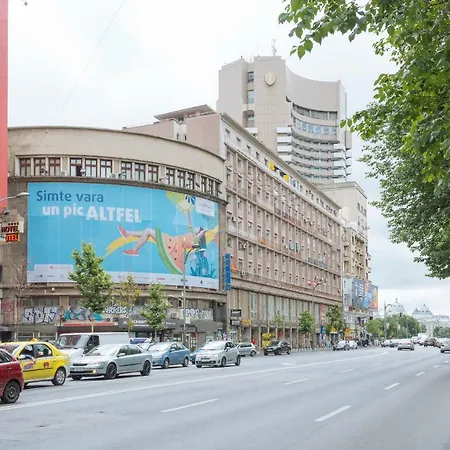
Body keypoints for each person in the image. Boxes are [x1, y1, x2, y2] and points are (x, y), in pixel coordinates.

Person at [118, 225, 207, 273]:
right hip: (171, 240)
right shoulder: (191, 234)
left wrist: (203, 232)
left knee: (148, 231)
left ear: (199, 233)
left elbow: (194, 241)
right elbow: (190, 224)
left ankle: (134, 249)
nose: (196, 227)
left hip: (172, 245)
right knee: (148, 231)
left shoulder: (194, 240)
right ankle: (128, 234)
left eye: (198, 228)